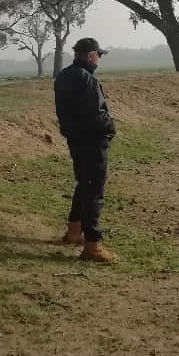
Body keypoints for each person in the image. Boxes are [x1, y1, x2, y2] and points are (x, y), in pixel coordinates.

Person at [53, 37, 117, 263]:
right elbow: (96, 116)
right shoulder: (87, 80)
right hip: (92, 142)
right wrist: (111, 127)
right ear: (91, 55)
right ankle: (93, 245)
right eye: (98, 56)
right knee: (94, 192)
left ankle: (73, 232)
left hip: (75, 141)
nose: (99, 60)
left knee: (84, 184)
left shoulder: (63, 76)